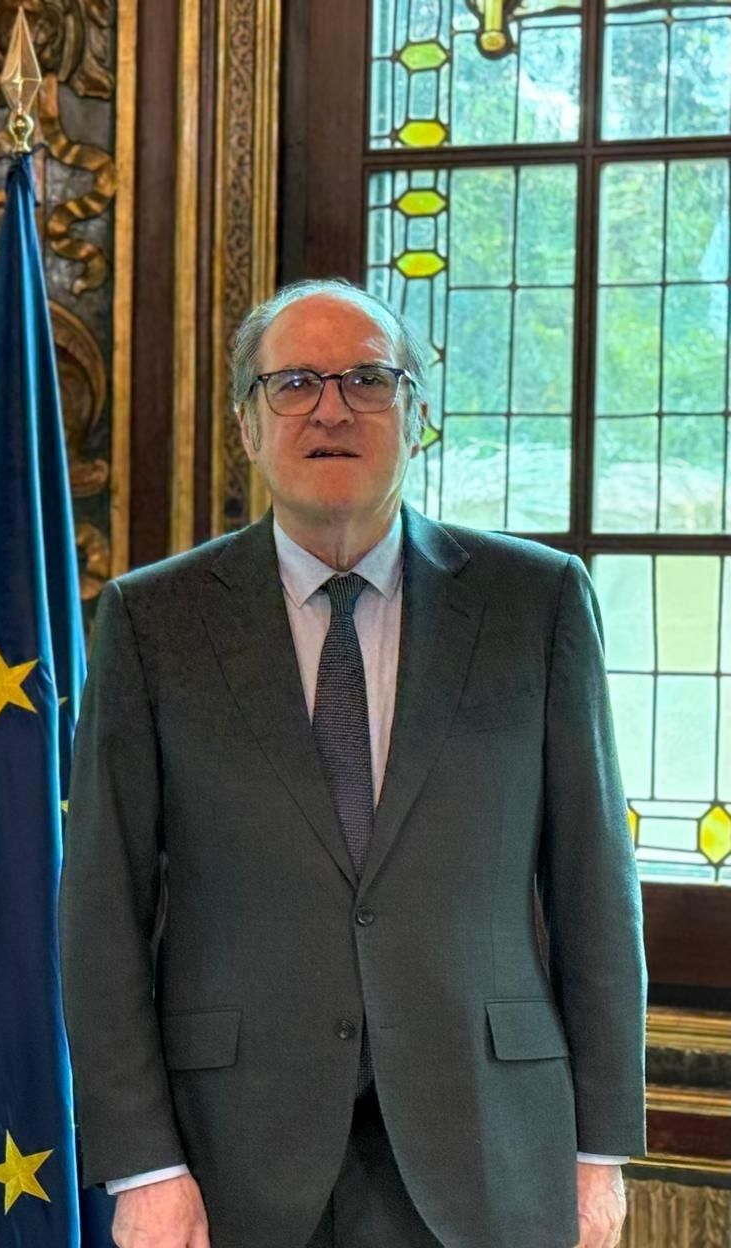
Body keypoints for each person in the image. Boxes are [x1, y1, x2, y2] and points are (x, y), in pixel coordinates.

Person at [60, 279, 645, 1248]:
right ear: (248, 426)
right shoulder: (153, 622)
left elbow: (594, 890)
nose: (331, 408)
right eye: (293, 383)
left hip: (489, 1151)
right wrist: (145, 1163)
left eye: (367, 379)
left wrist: (599, 1151)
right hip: (227, 1163)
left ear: (417, 414)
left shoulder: (534, 607)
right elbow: (99, 913)